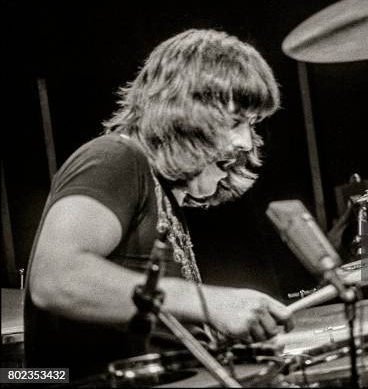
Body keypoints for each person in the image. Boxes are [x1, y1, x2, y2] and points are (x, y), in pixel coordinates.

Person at [24, 28, 293, 379]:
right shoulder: (115, 157)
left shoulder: (161, 193)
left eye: (252, 124)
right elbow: (56, 278)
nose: (245, 142)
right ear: (186, 113)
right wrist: (209, 303)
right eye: (235, 122)